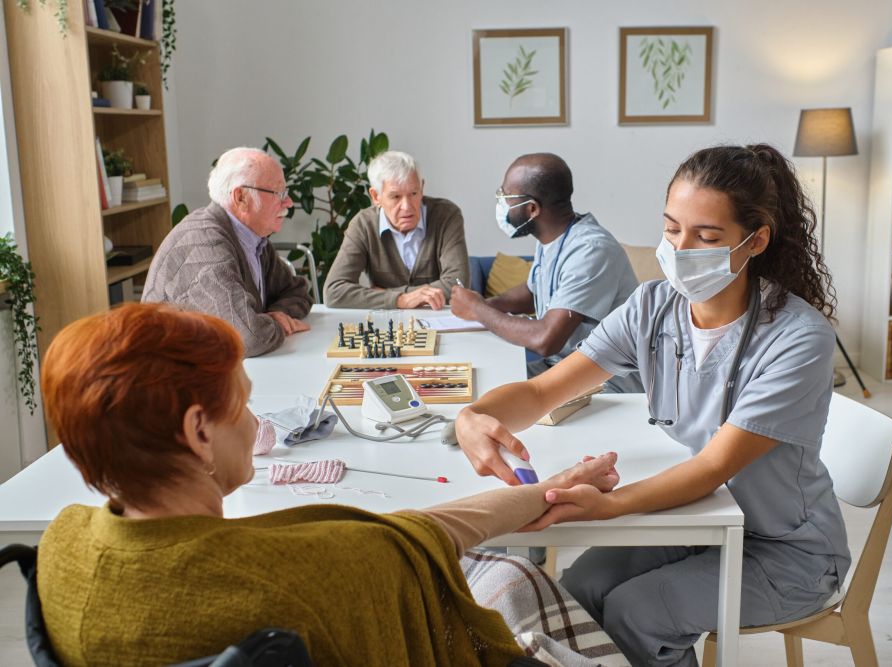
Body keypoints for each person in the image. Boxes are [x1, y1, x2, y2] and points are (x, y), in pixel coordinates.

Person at [36, 302, 621, 666]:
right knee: (515, 578)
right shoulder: (308, 576)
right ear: (198, 432)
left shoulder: (60, 551)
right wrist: (555, 486)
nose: (257, 423)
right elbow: (414, 538)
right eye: (242, 403)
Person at [454, 144, 851, 666]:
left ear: (754, 241)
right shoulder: (653, 306)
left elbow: (712, 466)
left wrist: (610, 505)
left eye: (706, 237)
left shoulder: (799, 339)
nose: (682, 249)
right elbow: (541, 391)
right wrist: (474, 417)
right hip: (703, 521)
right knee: (578, 590)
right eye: (671, 229)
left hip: (785, 551)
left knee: (636, 613)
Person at [450, 153, 641, 393]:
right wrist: (485, 303)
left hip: (605, 384)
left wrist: (478, 310)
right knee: (480, 383)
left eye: (505, 196)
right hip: (562, 369)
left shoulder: (591, 251)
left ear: (531, 209)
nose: (501, 203)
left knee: (490, 399)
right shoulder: (551, 238)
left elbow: (546, 340)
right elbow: (532, 292)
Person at [142, 147, 311, 357]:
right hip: (168, 379)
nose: (289, 202)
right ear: (241, 197)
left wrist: (275, 315)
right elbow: (248, 338)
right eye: (278, 193)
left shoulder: (253, 238)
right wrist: (273, 322)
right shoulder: (205, 244)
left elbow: (297, 292)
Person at [323, 150, 469, 309]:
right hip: (388, 325)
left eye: (413, 193)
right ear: (375, 196)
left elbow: (458, 284)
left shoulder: (446, 216)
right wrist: (401, 300)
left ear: (422, 187)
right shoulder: (363, 224)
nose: (407, 207)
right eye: (395, 197)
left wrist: (386, 293)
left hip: (439, 320)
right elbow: (333, 292)